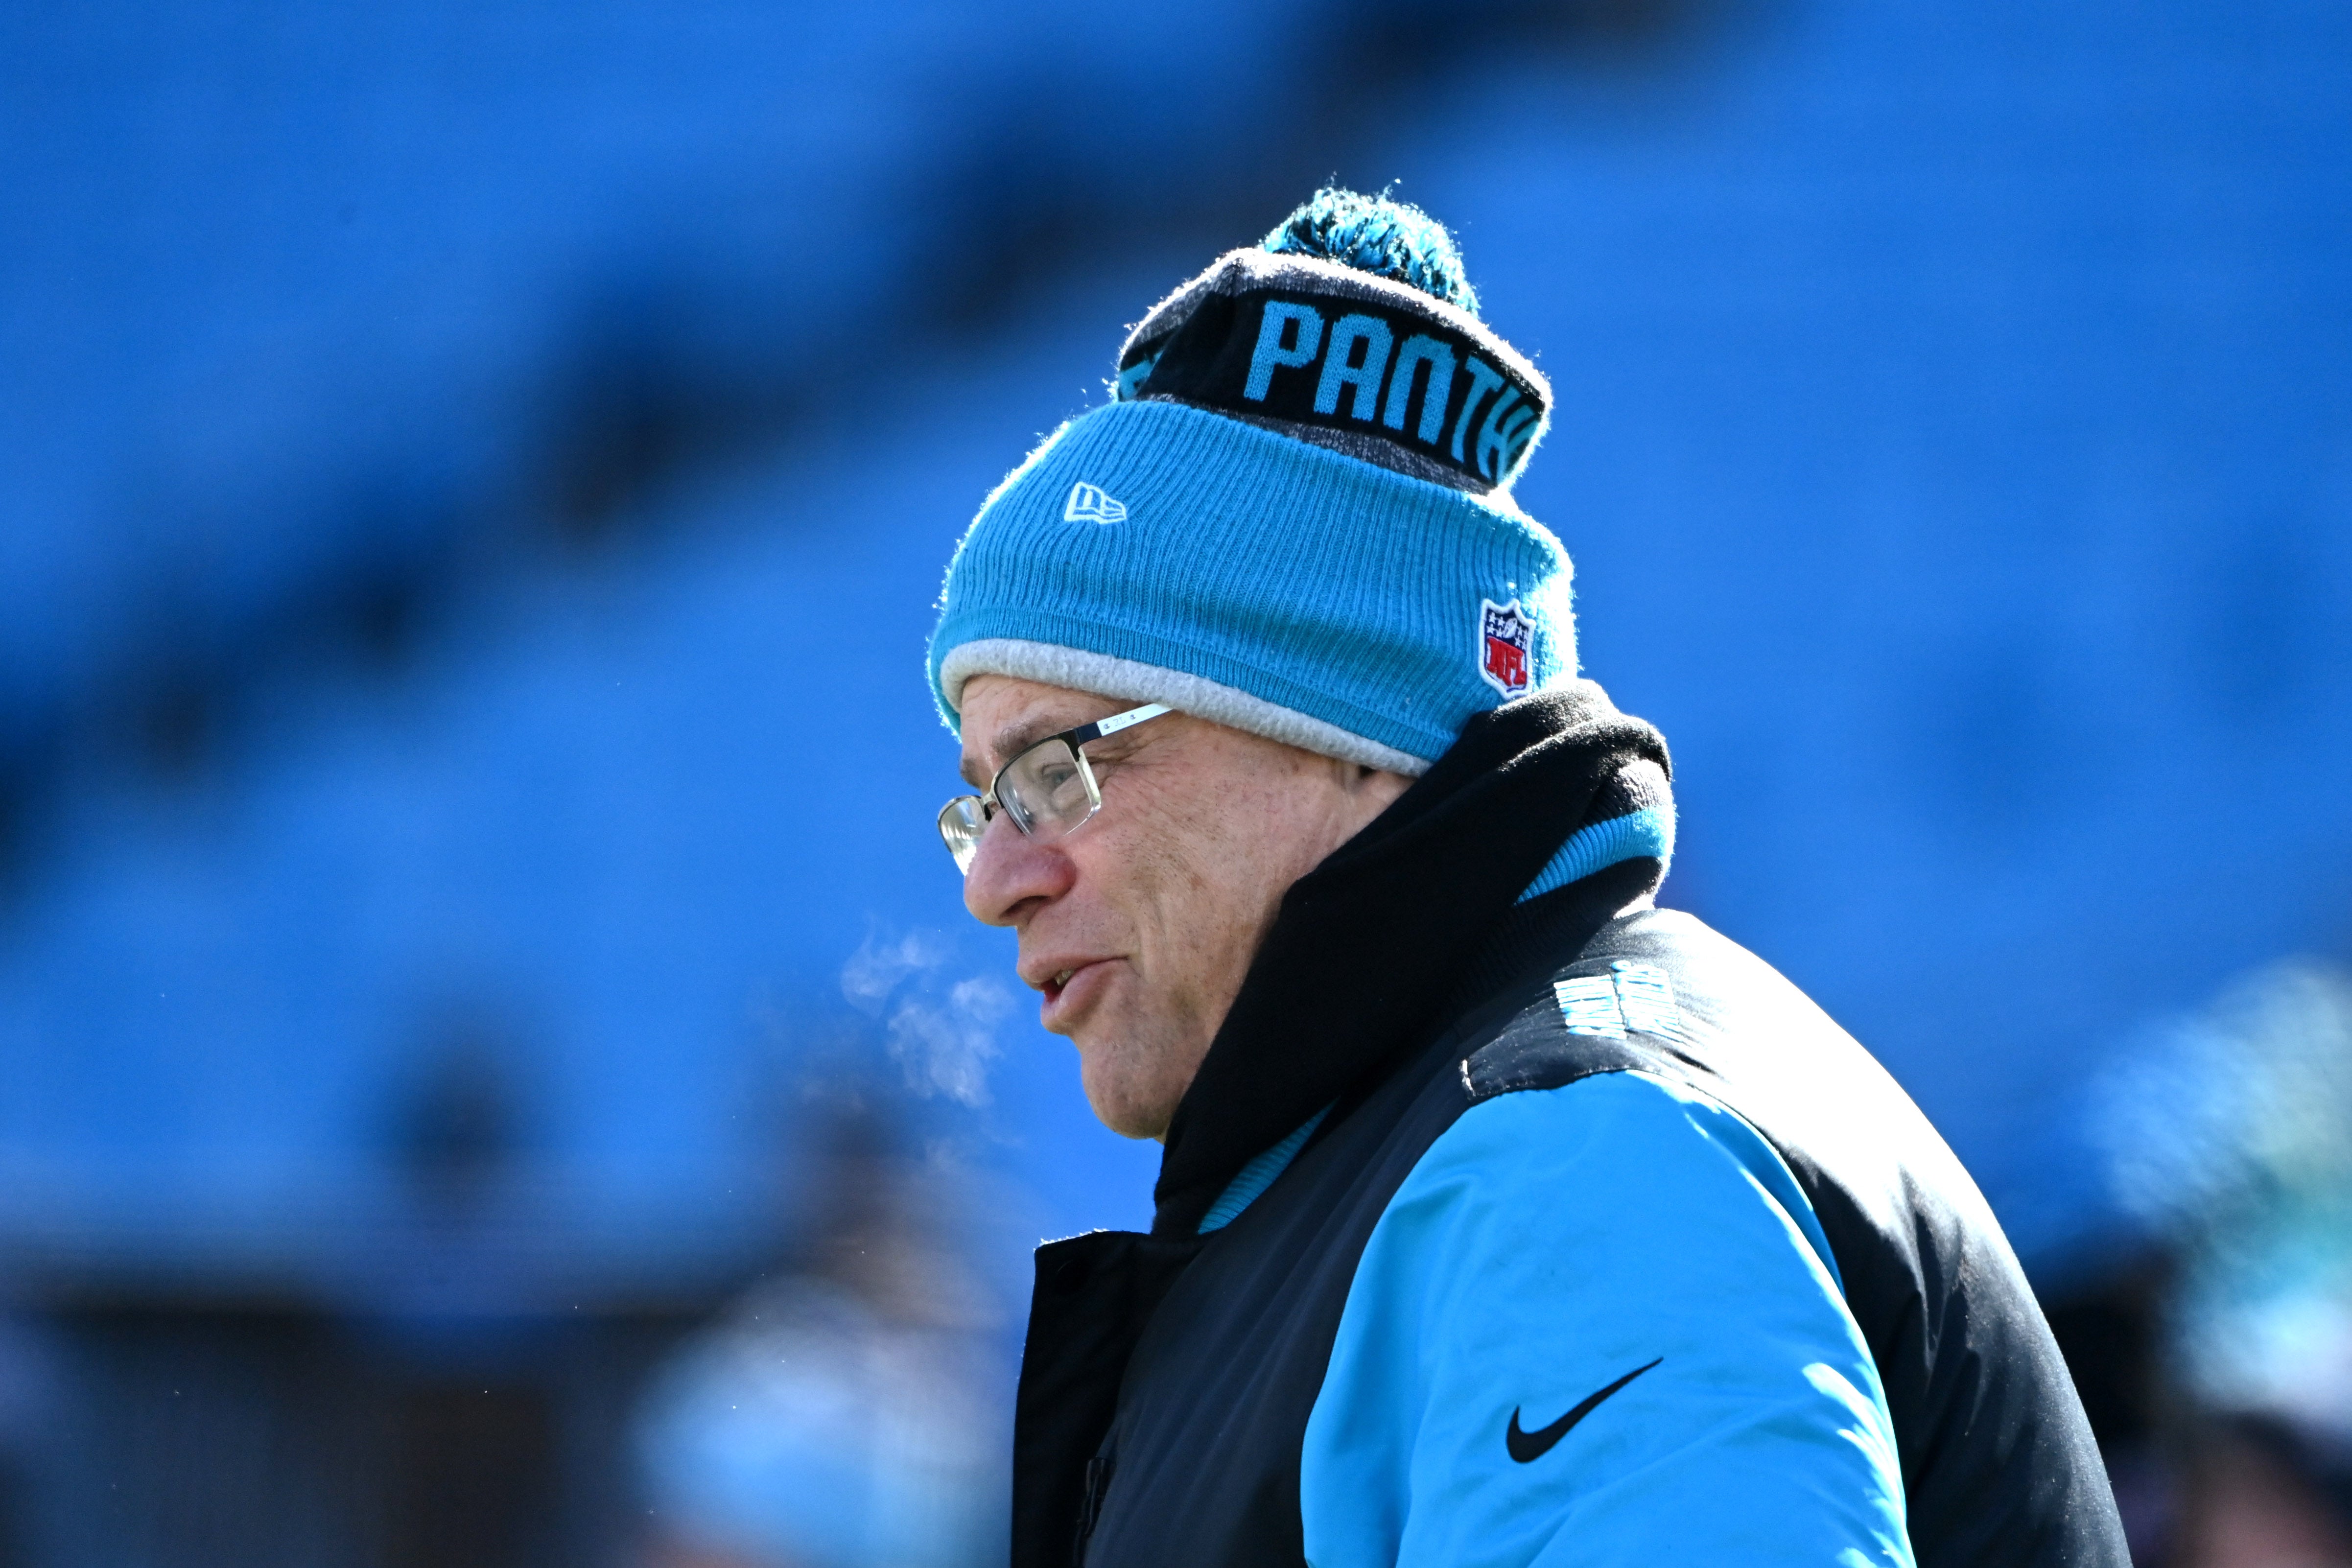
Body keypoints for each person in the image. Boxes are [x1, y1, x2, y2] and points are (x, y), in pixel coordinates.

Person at [923, 189, 2127, 1568]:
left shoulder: (1577, 1165)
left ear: (1336, 736)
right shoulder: (1430, 1160)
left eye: (1058, 769)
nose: (996, 877)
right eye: (981, 804)